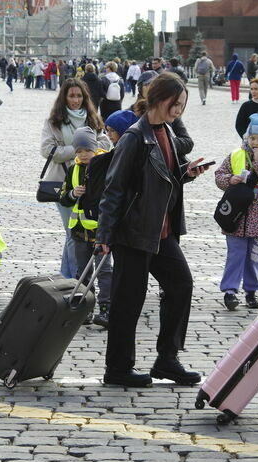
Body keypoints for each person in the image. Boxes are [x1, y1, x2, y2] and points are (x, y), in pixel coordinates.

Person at [96, 73, 210, 388]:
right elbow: (113, 188)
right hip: (134, 232)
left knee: (181, 285)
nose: (179, 110)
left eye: (183, 105)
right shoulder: (135, 137)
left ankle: (167, 359)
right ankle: (118, 368)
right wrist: (104, 235)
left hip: (161, 232)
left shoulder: (168, 133)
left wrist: (187, 173)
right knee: (128, 301)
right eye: (176, 104)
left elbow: (165, 176)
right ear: (160, 99)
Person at [41, 78, 111, 281]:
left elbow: (105, 142)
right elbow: (46, 149)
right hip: (65, 181)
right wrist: (78, 151)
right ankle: (75, 278)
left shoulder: (92, 117)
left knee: (76, 234)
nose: (75, 100)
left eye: (79, 95)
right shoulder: (54, 120)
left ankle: (68, 275)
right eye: (71, 95)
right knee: (72, 233)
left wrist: (93, 151)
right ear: (64, 97)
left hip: (92, 184)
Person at [215, 112, 258, 311]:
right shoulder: (236, 154)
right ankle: (230, 292)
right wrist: (230, 179)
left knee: (255, 256)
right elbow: (219, 175)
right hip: (236, 216)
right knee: (235, 254)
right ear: (247, 137)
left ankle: (251, 291)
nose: (256, 142)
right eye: (253, 138)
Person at [58, 126, 112, 327]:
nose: (82, 155)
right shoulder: (73, 169)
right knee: (82, 272)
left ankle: (106, 308)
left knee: (104, 270)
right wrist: (73, 194)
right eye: (78, 151)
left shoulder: (104, 166)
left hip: (99, 229)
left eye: (86, 150)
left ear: (95, 148)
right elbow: (63, 197)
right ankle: (86, 307)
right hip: (79, 230)